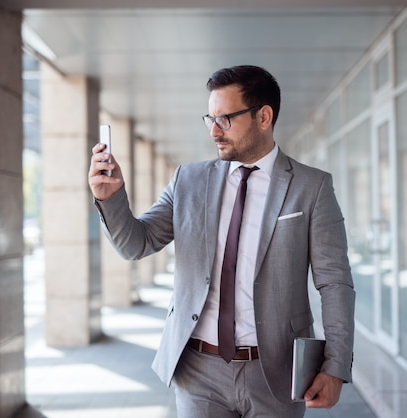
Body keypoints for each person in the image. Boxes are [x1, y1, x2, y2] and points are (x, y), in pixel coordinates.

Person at [88, 65, 355, 418]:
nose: (214, 131)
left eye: (225, 118)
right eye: (210, 118)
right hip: (199, 372)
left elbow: (334, 282)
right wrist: (111, 198)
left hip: (275, 370)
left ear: (264, 116)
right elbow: (136, 244)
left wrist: (335, 365)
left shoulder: (312, 187)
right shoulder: (189, 180)